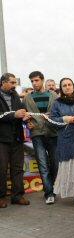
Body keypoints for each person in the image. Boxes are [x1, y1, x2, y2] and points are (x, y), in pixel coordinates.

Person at [50, 78, 74, 206]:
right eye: (64, 85)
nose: (67, 87)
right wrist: (65, 119)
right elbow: (52, 121)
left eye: (69, 85)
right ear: (61, 88)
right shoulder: (57, 103)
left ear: (73, 86)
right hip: (67, 139)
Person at [23, 71, 59, 205]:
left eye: (36, 80)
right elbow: (23, 115)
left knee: (55, 163)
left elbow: (59, 113)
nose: (34, 83)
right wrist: (27, 122)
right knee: (43, 164)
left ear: (42, 80)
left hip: (53, 133)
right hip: (37, 134)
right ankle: (49, 192)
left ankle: (54, 188)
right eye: (32, 81)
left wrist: (54, 117)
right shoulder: (27, 98)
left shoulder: (53, 95)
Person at [0, 73, 30, 208]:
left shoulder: (15, 95)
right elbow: (9, 115)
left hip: (17, 137)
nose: (14, 86)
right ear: (3, 82)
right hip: (2, 139)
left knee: (17, 168)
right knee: (1, 169)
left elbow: (21, 109)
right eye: (12, 83)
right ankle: (1, 197)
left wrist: (25, 115)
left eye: (15, 83)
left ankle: (17, 196)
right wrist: (14, 115)